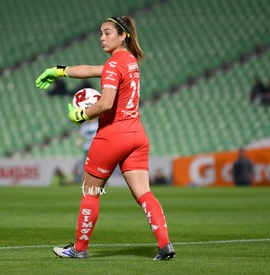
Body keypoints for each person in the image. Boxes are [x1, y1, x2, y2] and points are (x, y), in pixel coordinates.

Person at [35, 16, 175, 260]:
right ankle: (165, 246)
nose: (102, 37)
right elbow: (91, 70)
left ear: (123, 36)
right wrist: (60, 71)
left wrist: (80, 114)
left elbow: (106, 102)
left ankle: (79, 249)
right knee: (144, 194)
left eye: (108, 33)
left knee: (90, 192)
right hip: (137, 135)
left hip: (112, 135)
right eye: (101, 33)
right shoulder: (129, 62)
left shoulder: (113, 65)